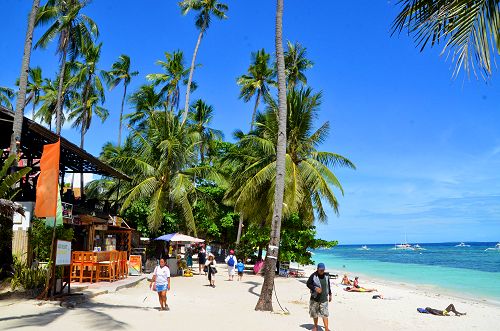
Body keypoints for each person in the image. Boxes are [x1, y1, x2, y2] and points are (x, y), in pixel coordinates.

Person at [306, 263, 332, 331]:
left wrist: (330, 294)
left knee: (325, 314)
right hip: (315, 298)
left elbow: (328, 285)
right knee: (315, 313)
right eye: (320, 270)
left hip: (324, 299)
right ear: (317, 269)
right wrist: (315, 288)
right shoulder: (313, 276)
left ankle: (326, 328)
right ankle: (315, 326)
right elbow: (308, 284)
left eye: (323, 270)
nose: (322, 271)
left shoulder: (326, 276)